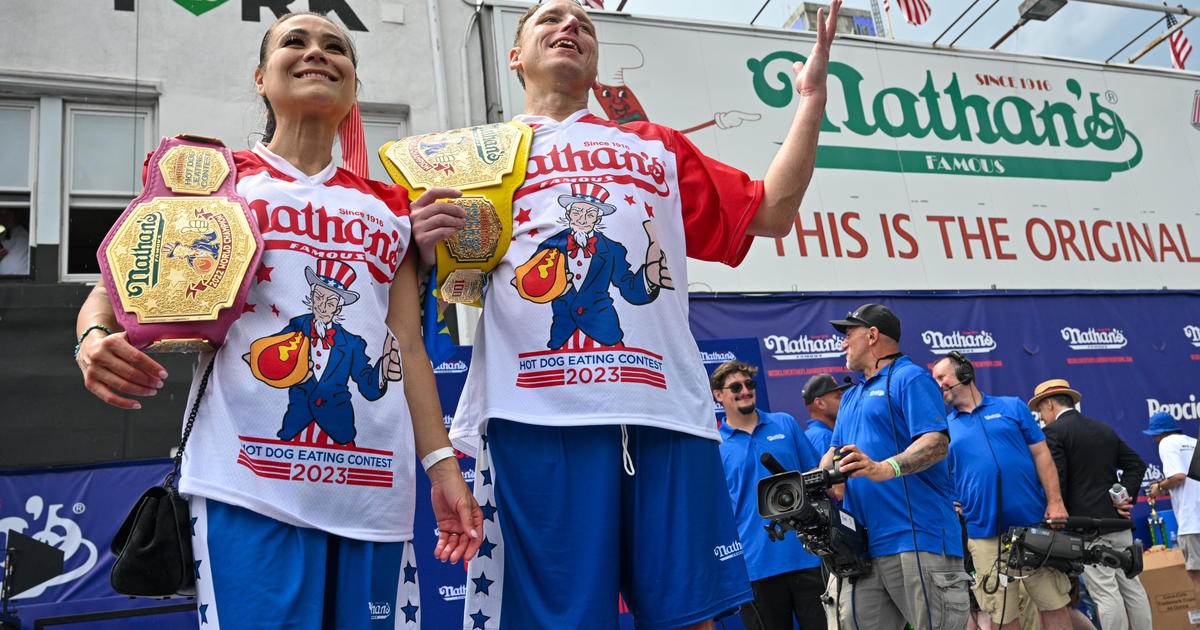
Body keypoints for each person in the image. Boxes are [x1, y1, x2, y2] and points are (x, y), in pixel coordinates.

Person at [408, 1, 843, 627]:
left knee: (691, 618)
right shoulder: (477, 158)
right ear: (515, 54)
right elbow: (431, 280)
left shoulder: (656, 147)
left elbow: (772, 210)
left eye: (584, 23)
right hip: (536, 419)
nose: (570, 28)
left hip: (664, 414)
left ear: (595, 59)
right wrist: (423, 242)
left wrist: (811, 100)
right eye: (549, 19)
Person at [75, 12, 481, 628]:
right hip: (249, 487)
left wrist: (442, 467)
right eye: (295, 41)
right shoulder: (211, 179)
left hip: (373, 494)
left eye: (336, 47)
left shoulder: (391, 207)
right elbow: (115, 286)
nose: (317, 52)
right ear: (261, 78)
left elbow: (406, 347)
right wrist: (93, 337)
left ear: (352, 86)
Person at [818, 303, 970, 630]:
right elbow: (833, 458)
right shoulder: (850, 396)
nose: (842, 343)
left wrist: (884, 468)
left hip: (918, 540)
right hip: (862, 550)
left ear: (872, 335)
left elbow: (936, 443)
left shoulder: (910, 377)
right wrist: (812, 484)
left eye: (848, 334)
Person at [931, 352, 1072, 630]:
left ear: (965, 374)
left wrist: (1055, 502)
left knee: (1052, 603)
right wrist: (950, 500)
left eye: (941, 377)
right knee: (1001, 614)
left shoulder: (1012, 407)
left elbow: (1042, 455)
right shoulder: (944, 429)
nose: (937, 385)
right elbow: (939, 478)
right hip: (984, 536)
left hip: (1033, 526)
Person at [1029, 378, 1152, 630]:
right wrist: (1123, 498)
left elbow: (1057, 478)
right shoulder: (1102, 429)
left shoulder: (1052, 433)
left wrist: (1053, 509)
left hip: (1085, 527)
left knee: (1106, 593)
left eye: (1040, 410)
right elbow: (1136, 465)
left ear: (1050, 404)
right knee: (1132, 587)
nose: (1041, 417)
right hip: (1117, 523)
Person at [711, 360, 825, 630]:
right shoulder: (714, 444)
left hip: (808, 555)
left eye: (749, 384)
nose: (745, 391)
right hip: (755, 566)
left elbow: (814, 479)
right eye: (735, 387)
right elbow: (717, 514)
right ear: (718, 395)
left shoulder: (784, 423)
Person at [1144, 411, 1200, 605]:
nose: (1153, 439)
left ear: (1160, 433)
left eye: (1154, 435)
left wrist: (1159, 487)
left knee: (1198, 579)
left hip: (1192, 522)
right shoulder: (1194, 442)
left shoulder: (1167, 444)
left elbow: (1178, 476)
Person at [801, 373, 849, 456]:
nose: (844, 400)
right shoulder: (824, 437)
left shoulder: (811, 434)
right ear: (820, 404)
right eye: (838, 397)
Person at [0, 209, 30, 275]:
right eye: (1, 215)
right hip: (4, 279)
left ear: (16, 215)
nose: (3, 218)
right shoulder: (2, 235)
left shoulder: (27, 234)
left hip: (22, 278)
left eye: (6, 214)